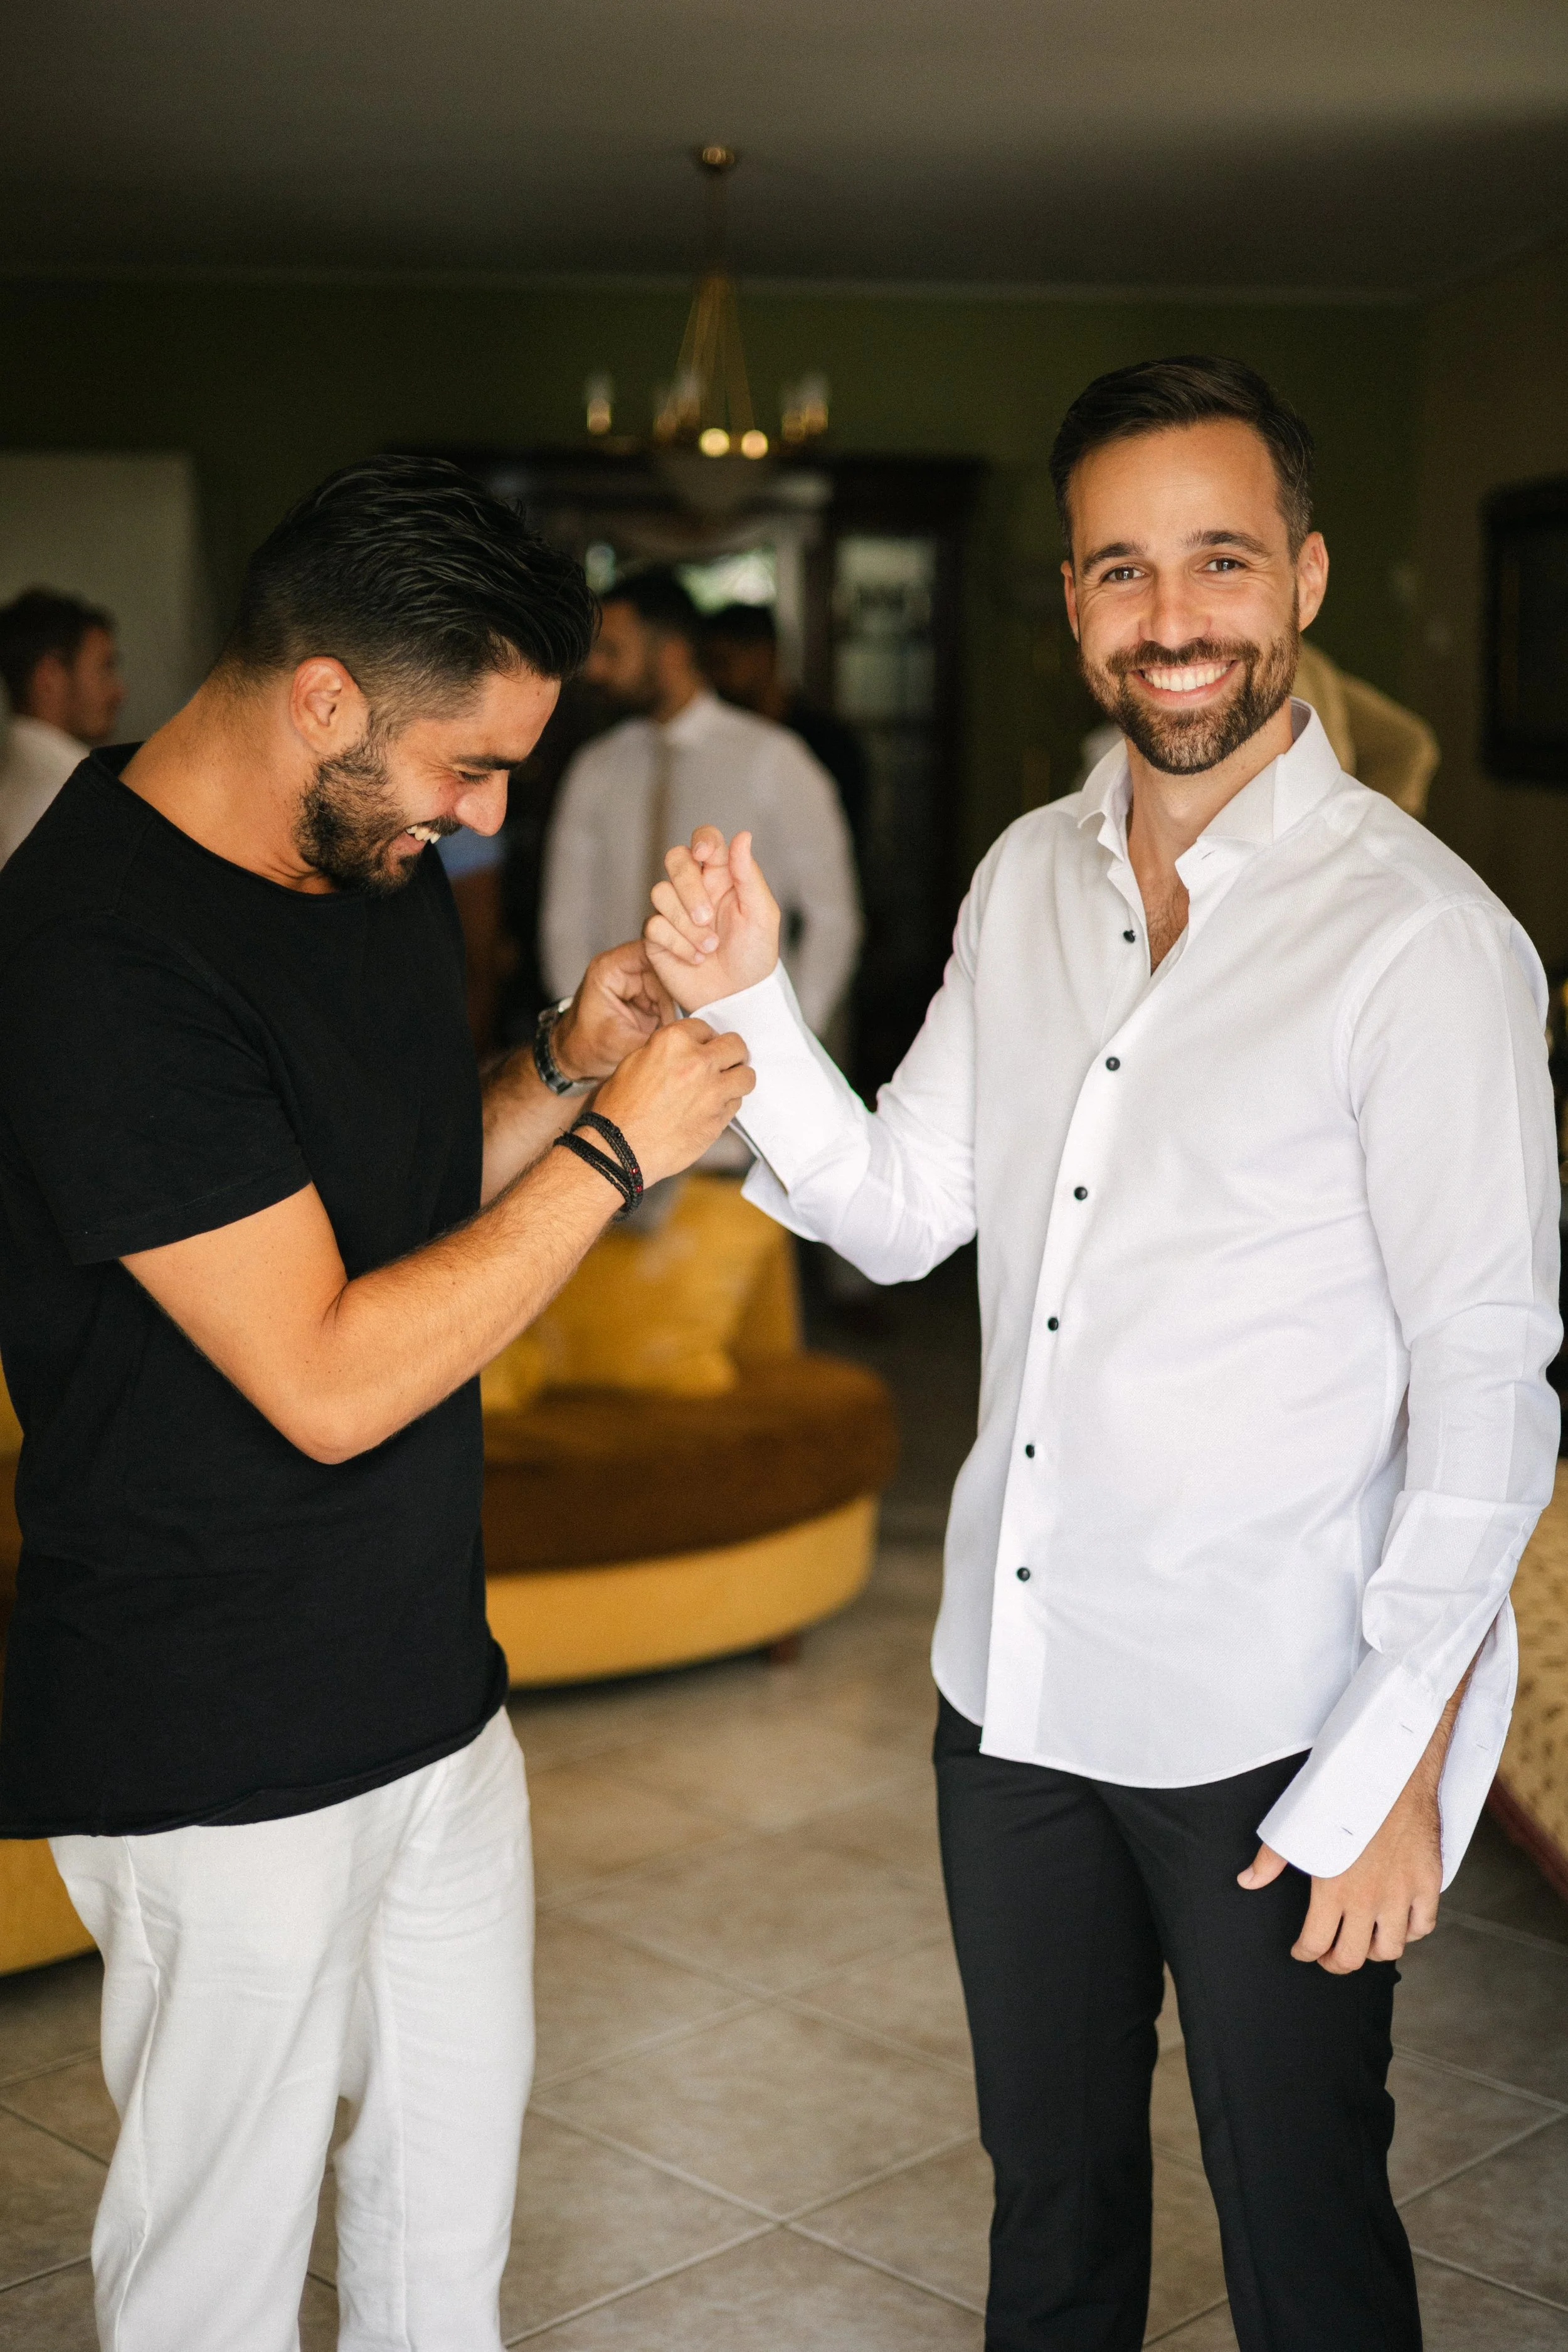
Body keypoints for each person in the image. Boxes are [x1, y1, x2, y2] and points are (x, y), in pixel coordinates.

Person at [643, 357, 1559, 2352]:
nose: (1170, 621)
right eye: (1121, 570)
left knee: (1297, 2222)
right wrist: (749, 1012)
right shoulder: (1017, 878)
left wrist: (1401, 1754)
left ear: (1302, 576)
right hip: (1013, 1693)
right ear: (1068, 600)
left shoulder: (1420, 941)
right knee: (1048, 2203)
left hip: (1270, 1716)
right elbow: (896, 1203)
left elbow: (1486, 1386)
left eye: (1218, 560)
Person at [0, 456, 753, 2352]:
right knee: (216, 2274)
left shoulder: (364, 856)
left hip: (425, 1682)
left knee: (443, 2237)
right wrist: (609, 1149)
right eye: (469, 769)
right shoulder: (92, 953)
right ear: (322, 694)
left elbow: (399, 1200)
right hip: (213, 1730)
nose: (486, 820)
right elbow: (326, 1375)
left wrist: (560, 1057)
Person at [541, 568, 860, 1044]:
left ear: (671, 652)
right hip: (612, 1051)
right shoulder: (594, 767)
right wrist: (586, 1025)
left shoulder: (775, 758)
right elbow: (566, 918)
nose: (596, 670)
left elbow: (832, 916)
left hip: (742, 1050)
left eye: (612, 652)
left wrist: (788, 1040)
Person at [701, 599, 871, 866]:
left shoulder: (826, 743)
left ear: (764, 655)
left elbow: (839, 844)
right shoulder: (716, 743)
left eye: (723, 661)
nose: (715, 677)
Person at [0, 586, 125, 862]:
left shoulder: (13, 787)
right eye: (105, 667)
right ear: (49, 676)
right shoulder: (75, 797)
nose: (119, 692)